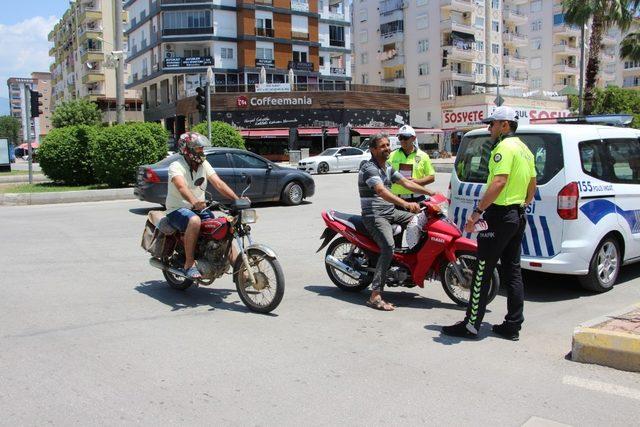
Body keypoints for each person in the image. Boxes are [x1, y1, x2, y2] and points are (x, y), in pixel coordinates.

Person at [441, 106, 536, 340]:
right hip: (516, 215)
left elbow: (499, 182)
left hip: (499, 216)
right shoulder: (525, 149)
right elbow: (532, 184)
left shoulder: (503, 148)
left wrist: (477, 213)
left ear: (505, 125)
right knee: (513, 271)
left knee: (482, 270)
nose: (489, 128)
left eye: (492, 124)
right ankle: (513, 325)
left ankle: (471, 325)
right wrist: (522, 205)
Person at [359, 133, 436, 311]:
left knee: (422, 221)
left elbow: (406, 183)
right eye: (382, 146)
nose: (387, 148)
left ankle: (406, 263)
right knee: (388, 247)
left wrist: (431, 193)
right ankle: (375, 295)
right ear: (373, 150)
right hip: (374, 215)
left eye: (388, 145)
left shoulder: (387, 167)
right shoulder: (368, 167)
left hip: (390, 211)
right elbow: (380, 191)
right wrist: (406, 204)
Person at [165, 132, 244, 280]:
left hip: (200, 208)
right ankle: (189, 264)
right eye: (198, 149)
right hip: (177, 210)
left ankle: (242, 273)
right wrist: (194, 201)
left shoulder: (204, 164)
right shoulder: (176, 166)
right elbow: (182, 187)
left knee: (223, 230)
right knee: (194, 221)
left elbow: (218, 183)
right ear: (187, 150)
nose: (202, 151)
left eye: (202, 148)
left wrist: (237, 199)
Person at [388, 124, 436, 205]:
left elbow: (431, 177)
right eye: (400, 138)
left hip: (417, 199)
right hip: (397, 200)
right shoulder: (391, 155)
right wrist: (394, 180)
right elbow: (384, 175)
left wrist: (416, 181)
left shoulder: (423, 156)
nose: (402, 141)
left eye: (405, 138)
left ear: (414, 138)